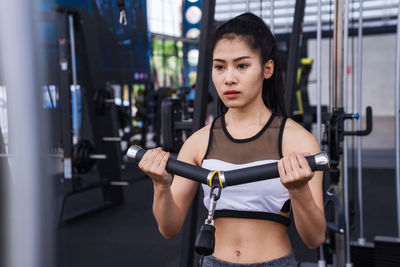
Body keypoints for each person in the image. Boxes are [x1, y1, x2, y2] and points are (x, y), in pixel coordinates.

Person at [138, 12, 325, 267]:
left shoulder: (297, 141)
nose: (229, 78)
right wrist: (160, 185)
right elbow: (169, 228)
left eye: (242, 65)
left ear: (267, 69)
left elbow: (314, 238)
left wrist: (299, 190)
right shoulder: (199, 142)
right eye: (219, 67)